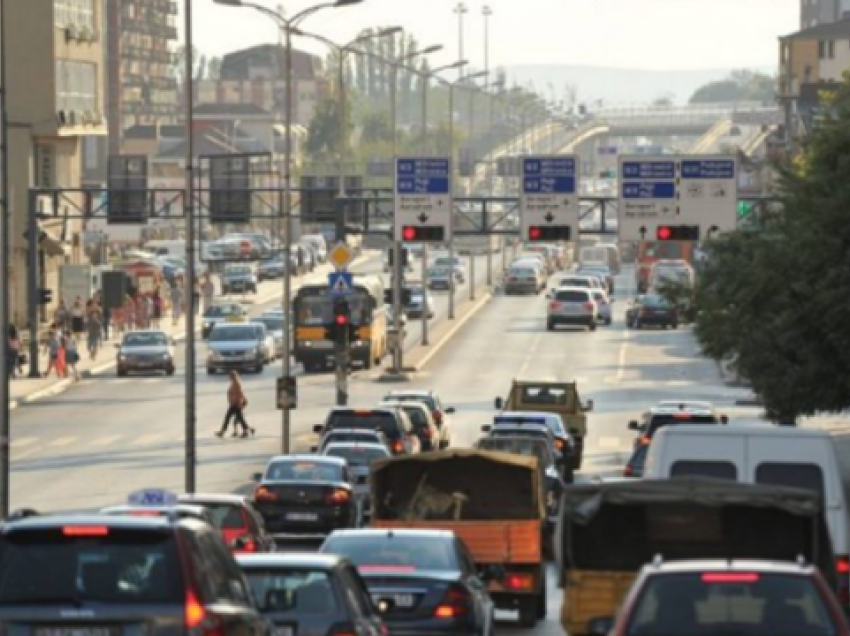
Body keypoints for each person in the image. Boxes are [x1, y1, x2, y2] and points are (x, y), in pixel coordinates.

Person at [216, 371, 254, 438]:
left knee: (229, 417)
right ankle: (248, 430)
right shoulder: (234, 383)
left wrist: (242, 401)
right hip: (234, 403)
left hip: (235, 403)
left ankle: (223, 431)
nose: (229, 378)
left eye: (230, 377)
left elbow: (240, 393)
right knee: (240, 418)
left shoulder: (236, 384)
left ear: (233, 376)